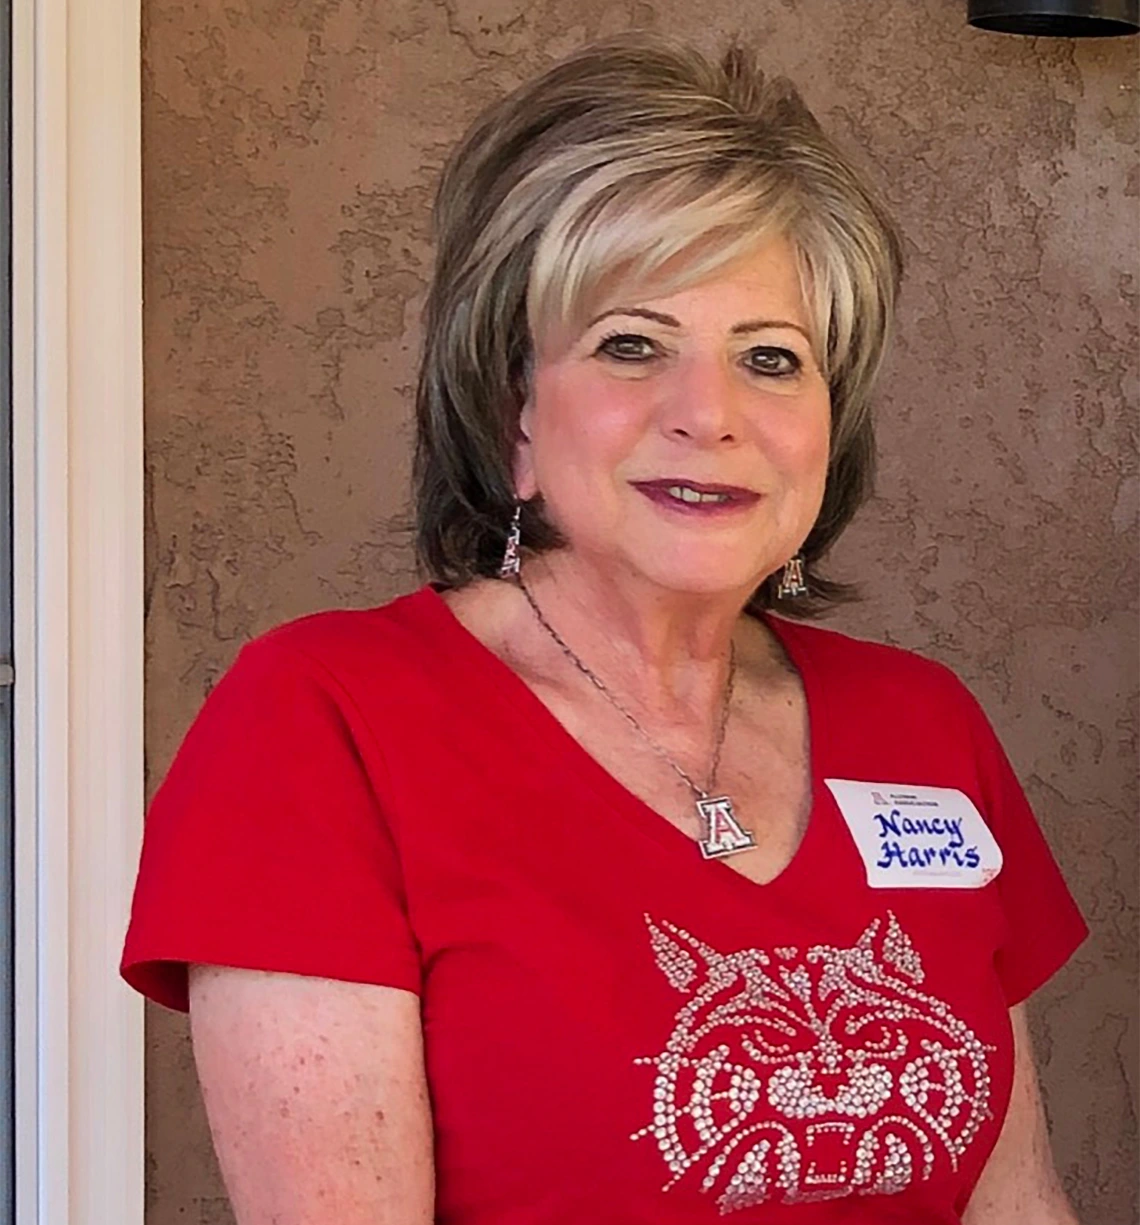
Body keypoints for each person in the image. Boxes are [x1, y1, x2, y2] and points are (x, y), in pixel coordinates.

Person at [120, 33, 1088, 1225]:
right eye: (633, 344)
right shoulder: (325, 722)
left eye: (771, 359)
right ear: (512, 410)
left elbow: (1019, 1203)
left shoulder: (922, 725)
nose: (710, 415)